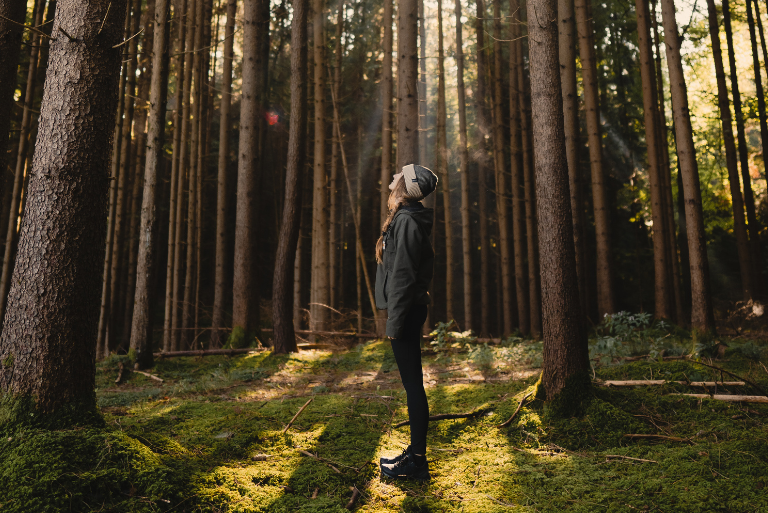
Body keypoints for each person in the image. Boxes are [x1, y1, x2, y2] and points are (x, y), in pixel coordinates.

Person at [374, 163, 438, 482]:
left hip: (407, 312)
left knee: (413, 385)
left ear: (407, 187)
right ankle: (414, 454)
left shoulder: (409, 221)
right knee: (412, 384)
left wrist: (394, 323)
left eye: (399, 175)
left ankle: (418, 462)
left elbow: (402, 277)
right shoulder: (405, 218)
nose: (393, 178)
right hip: (406, 310)